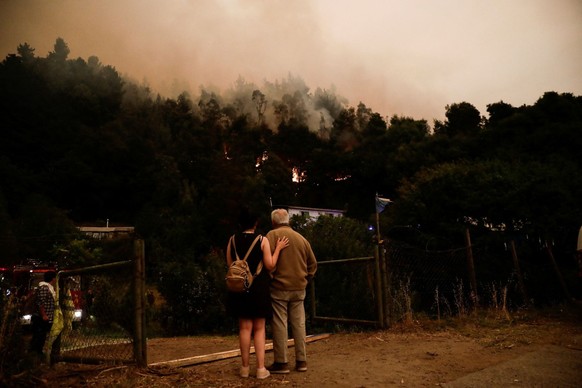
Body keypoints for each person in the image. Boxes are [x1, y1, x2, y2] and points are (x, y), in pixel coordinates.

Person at [226, 207, 289, 379]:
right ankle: (261, 369)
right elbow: (270, 265)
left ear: (240, 222)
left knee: (244, 328)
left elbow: (231, 265)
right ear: (256, 222)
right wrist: (278, 249)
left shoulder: (232, 240)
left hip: (240, 289)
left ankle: (244, 368)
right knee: (259, 328)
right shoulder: (262, 240)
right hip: (258, 288)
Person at [266, 208, 317, 374]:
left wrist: (271, 278)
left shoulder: (271, 236)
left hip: (279, 287)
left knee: (280, 323)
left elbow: (266, 263)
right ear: (288, 220)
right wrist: (306, 280)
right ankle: (302, 361)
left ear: (273, 222)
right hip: (299, 287)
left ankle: (281, 363)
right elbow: (313, 264)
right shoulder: (302, 239)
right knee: (299, 323)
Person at [30, 271, 57, 359]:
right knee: (39, 335)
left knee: (41, 335)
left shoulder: (48, 287)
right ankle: (35, 353)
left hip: (44, 316)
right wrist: (44, 315)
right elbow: (40, 302)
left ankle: (36, 353)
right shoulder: (44, 288)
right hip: (41, 317)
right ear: (53, 278)